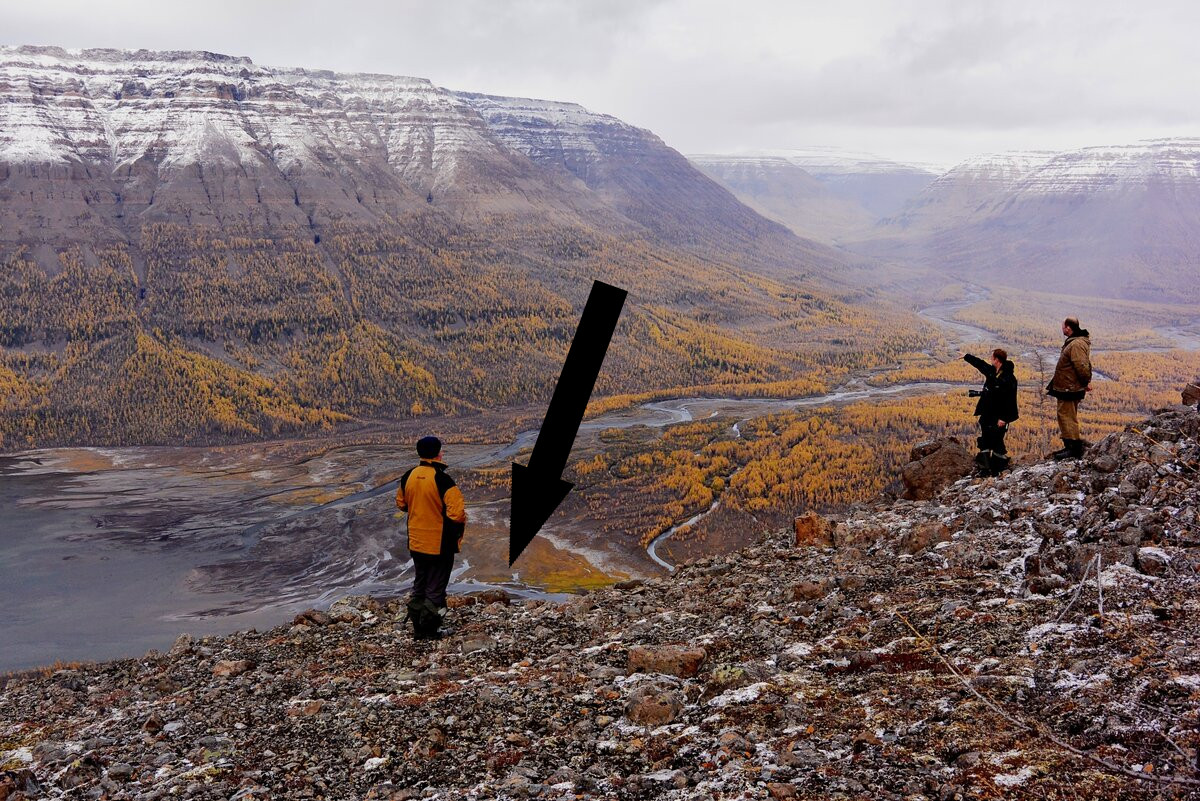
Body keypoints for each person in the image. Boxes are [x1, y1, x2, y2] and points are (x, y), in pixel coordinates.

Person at [396, 436, 467, 639]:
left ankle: (419, 628)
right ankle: (430, 630)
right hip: (439, 544)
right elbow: (457, 514)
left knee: (420, 584)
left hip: (416, 542)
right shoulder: (443, 479)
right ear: (438, 454)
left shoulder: (408, 476)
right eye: (441, 450)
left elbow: (401, 503)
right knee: (435, 588)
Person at [961, 348, 1019, 475]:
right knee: (985, 439)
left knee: (997, 441)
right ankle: (984, 469)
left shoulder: (1009, 378)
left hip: (999, 416)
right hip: (987, 412)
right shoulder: (992, 371)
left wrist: (1004, 418)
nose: (990, 359)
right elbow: (980, 364)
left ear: (997, 359)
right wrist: (966, 356)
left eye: (992, 357)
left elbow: (1010, 400)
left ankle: (998, 469)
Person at [1046, 317, 1092, 460]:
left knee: (1067, 417)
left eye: (1063, 326)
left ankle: (1073, 449)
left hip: (1069, 388)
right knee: (1065, 415)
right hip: (1068, 386)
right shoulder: (1075, 342)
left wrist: (1085, 382)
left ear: (1068, 328)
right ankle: (1070, 446)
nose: (1062, 329)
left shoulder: (1076, 344)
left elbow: (1082, 366)